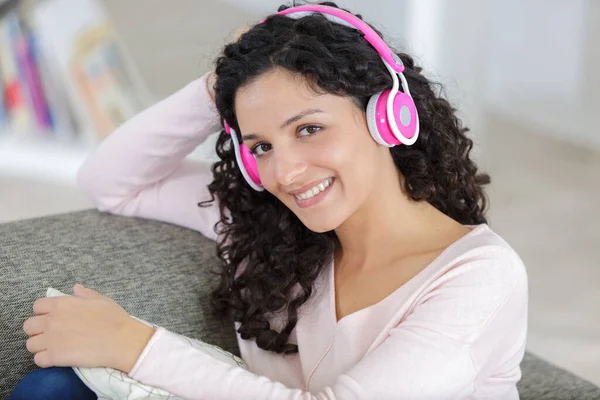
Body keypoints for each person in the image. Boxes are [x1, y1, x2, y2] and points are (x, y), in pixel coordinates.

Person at [11, 2, 528, 399]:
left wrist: (135, 346)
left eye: (308, 128)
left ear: (388, 116)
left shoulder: (481, 276)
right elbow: (112, 180)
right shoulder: (270, 228)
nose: (285, 172)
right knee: (57, 387)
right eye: (261, 146)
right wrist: (223, 86)